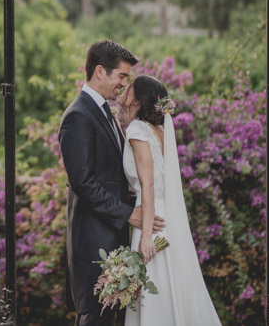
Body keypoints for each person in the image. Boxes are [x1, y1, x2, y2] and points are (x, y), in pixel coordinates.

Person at [59, 40, 165, 325]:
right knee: (96, 319)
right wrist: (129, 214)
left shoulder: (106, 113)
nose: (124, 84)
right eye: (121, 76)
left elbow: (115, 178)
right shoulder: (78, 116)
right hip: (94, 242)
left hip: (112, 238)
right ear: (100, 72)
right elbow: (83, 182)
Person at [119, 75, 221, 325]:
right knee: (166, 284)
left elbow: (148, 183)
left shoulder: (136, 130)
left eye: (129, 87)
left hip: (151, 219)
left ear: (136, 98)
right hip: (165, 214)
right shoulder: (158, 130)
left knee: (155, 288)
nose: (125, 88)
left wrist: (145, 236)